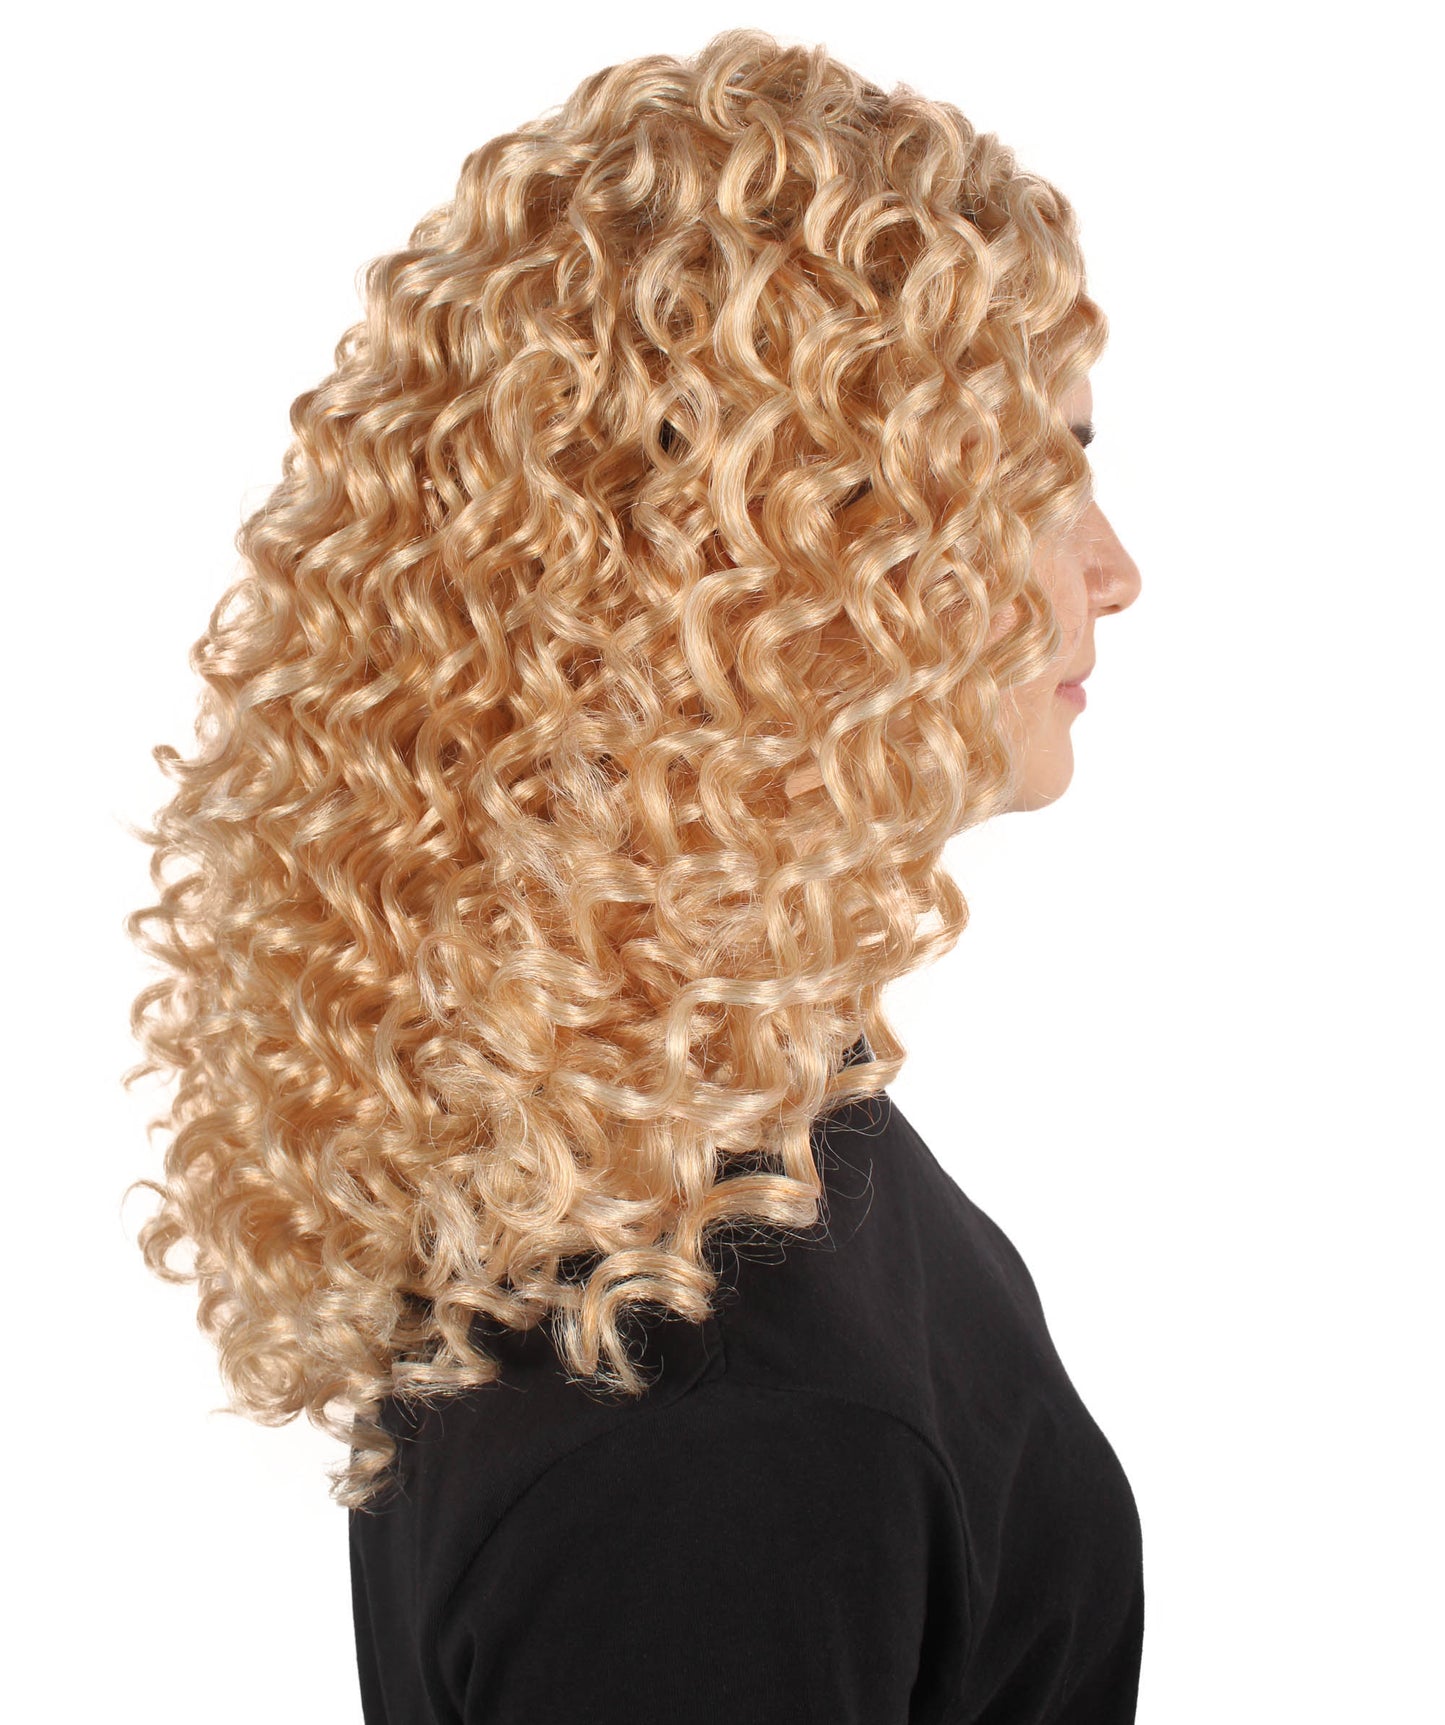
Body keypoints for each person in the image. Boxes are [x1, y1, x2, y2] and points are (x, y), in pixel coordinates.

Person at [123, 26, 1143, 1724]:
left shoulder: (689, 1131)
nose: (1112, 570)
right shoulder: (721, 1433)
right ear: (772, 564)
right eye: (1033, 480)